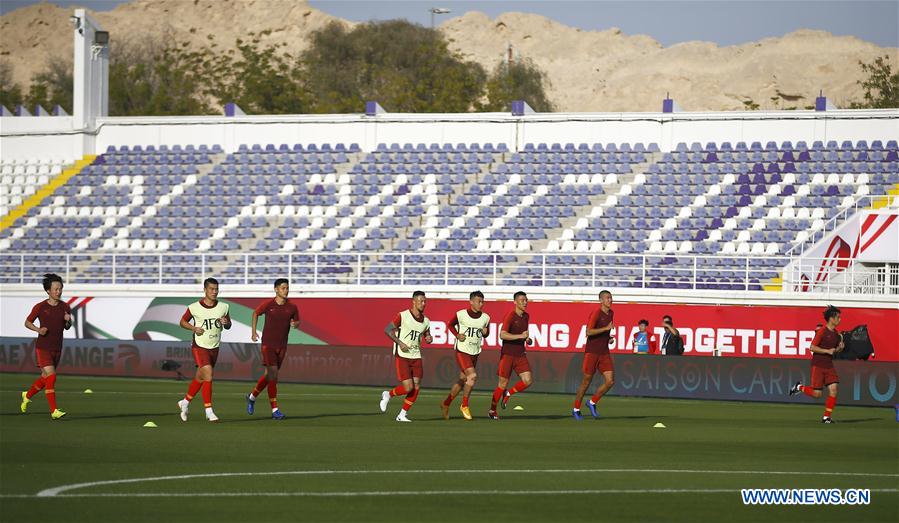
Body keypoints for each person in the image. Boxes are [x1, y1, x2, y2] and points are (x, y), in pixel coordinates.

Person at [177, 278, 231, 422]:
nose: (214, 292)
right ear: (205, 290)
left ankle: (185, 402)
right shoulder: (194, 307)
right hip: (199, 345)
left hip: (214, 346)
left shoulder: (224, 307)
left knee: (201, 377)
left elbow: (228, 325)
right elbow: (182, 322)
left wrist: (226, 323)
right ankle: (209, 410)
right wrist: (194, 328)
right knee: (208, 373)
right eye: (211, 289)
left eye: (216, 289)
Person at [21, 273, 72, 420]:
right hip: (43, 347)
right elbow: (27, 322)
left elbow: (67, 327)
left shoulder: (65, 306)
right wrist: (38, 330)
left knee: (45, 378)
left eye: (60, 289)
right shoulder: (40, 307)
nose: (58, 292)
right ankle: (54, 410)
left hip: (57, 347)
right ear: (48, 291)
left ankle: (27, 395)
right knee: (52, 376)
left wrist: (68, 321)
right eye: (56, 289)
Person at [246, 278, 299, 420]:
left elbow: (297, 321)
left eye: (287, 288)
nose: (286, 290)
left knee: (269, 376)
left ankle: (251, 397)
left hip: (282, 346)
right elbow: (255, 313)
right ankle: (275, 410)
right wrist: (253, 332)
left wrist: (295, 324)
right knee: (273, 375)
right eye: (283, 288)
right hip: (268, 345)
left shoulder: (292, 307)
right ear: (276, 289)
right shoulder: (268, 305)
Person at [380, 291, 432, 422]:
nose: (423, 303)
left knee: (417, 385)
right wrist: (400, 342)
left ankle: (402, 414)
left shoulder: (426, 321)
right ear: (413, 302)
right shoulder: (403, 315)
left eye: (425, 301)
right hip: (402, 355)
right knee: (408, 388)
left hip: (416, 355)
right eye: (421, 301)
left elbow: (426, 335)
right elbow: (387, 329)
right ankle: (388, 394)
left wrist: (428, 338)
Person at [790, 305, 844, 423]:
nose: (840, 319)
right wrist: (827, 351)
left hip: (829, 365)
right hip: (818, 365)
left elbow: (834, 351)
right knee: (817, 394)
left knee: (834, 389)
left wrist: (839, 348)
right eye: (838, 317)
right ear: (831, 318)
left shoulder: (836, 334)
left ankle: (826, 417)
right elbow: (812, 347)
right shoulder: (822, 331)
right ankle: (799, 387)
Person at [441, 290, 490, 421]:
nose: (481, 304)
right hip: (462, 350)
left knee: (463, 380)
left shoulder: (486, 317)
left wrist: (485, 332)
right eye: (478, 301)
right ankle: (464, 405)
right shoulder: (461, 314)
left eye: (482, 301)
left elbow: (486, 333)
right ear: (471, 302)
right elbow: (450, 325)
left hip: (475, 352)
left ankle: (445, 403)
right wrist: (457, 335)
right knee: (472, 376)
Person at [490, 291, 533, 420]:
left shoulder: (526, 316)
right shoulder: (510, 316)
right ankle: (492, 411)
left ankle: (508, 394)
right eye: (522, 300)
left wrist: (527, 340)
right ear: (515, 302)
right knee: (502, 384)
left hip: (520, 354)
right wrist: (520, 336)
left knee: (528, 380)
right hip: (508, 355)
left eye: (526, 300)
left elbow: (525, 334)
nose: (525, 302)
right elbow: (502, 335)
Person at [572, 290, 615, 420]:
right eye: (607, 298)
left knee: (610, 381)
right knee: (586, 382)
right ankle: (576, 409)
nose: (610, 300)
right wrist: (605, 329)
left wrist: (608, 338)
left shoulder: (611, 313)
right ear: (601, 300)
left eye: (611, 298)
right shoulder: (596, 313)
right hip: (592, 353)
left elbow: (604, 332)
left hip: (604, 352)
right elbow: (589, 332)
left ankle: (592, 402)